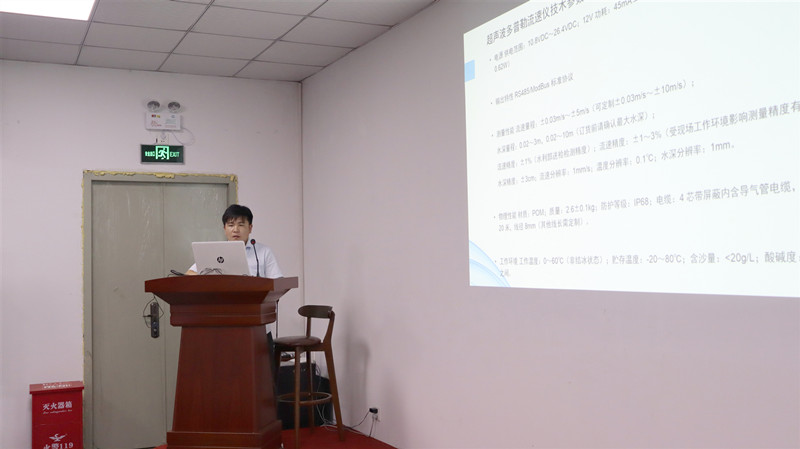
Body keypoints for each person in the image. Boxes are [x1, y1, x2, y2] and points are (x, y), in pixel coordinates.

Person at [186, 204, 283, 278]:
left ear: (250, 228)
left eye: (241, 225)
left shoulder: (264, 252)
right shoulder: (216, 251)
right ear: (225, 228)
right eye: (231, 225)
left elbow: (277, 281)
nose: (235, 230)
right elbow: (189, 273)